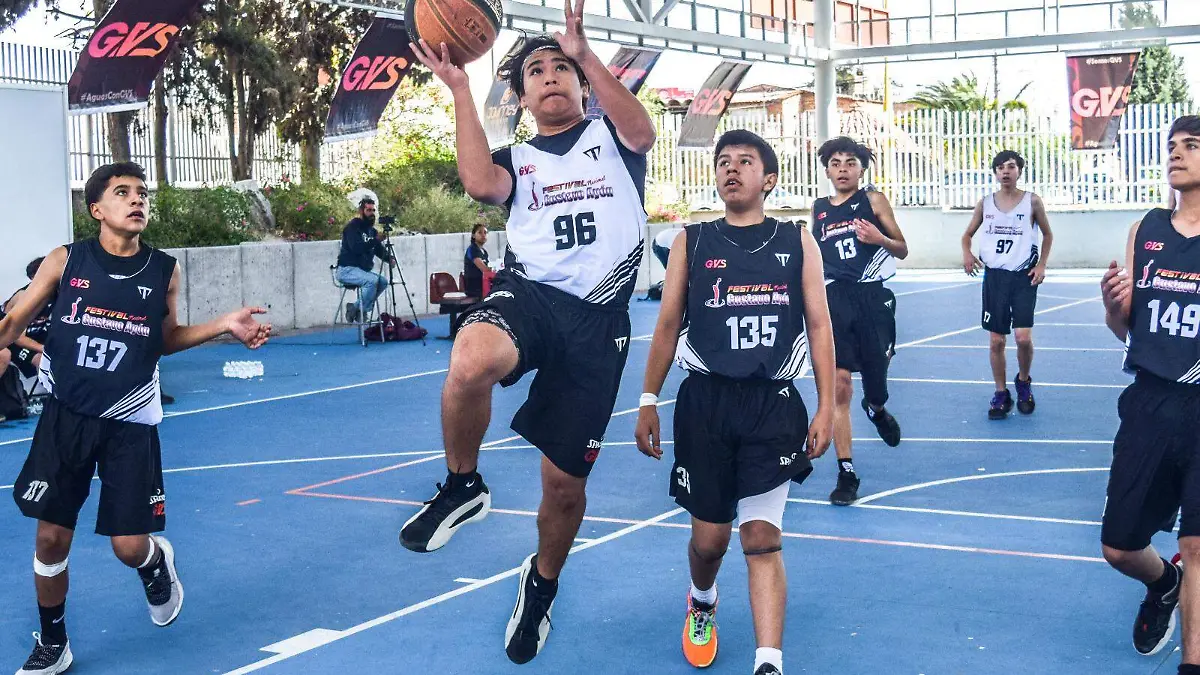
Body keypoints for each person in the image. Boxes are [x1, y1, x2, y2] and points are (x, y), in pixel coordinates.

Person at [402, 1, 656, 664]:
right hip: (532, 296)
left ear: (581, 84)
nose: (549, 77)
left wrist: (585, 52)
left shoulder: (615, 141)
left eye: (560, 68)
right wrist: (460, 89)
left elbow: (643, 129)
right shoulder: (518, 159)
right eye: (535, 71)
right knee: (470, 359)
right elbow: (478, 182)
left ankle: (541, 583)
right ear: (519, 97)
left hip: (598, 321)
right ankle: (463, 485)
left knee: (563, 489)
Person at [2, 162, 272, 675]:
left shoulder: (163, 270)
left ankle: (154, 561)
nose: (136, 200)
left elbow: (165, 340)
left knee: (127, 547)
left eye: (142, 193)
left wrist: (223, 324)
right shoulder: (66, 260)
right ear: (96, 209)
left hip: (129, 419)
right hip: (66, 416)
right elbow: (14, 321)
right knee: (50, 538)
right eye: (122, 192)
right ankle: (54, 643)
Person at [636, 130, 835, 675]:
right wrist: (649, 398)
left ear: (769, 179)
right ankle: (702, 600)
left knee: (762, 537)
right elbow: (667, 324)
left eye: (745, 161)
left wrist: (825, 406)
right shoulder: (692, 241)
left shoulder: (798, 241)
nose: (731, 169)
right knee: (709, 543)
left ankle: (769, 662)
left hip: (772, 405)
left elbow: (819, 325)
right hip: (706, 404)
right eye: (723, 161)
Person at [1100, 115, 1200, 673]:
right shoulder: (1147, 229)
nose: (1176, 154)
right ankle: (1164, 584)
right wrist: (1114, 306)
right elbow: (1127, 329)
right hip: (1150, 401)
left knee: (1197, 544)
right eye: (1172, 146)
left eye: (1192, 145)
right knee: (1118, 547)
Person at [811, 136, 907, 506]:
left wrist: (879, 237)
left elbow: (902, 248)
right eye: (835, 164)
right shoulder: (820, 209)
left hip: (873, 297)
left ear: (861, 169)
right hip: (836, 299)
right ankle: (846, 471)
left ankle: (876, 408)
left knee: (875, 382)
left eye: (850, 163)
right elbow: (815, 259)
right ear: (827, 171)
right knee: (840, 384)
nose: (842, 170)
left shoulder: (873, 200)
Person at [961, 150, 1054, 419]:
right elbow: (967, 235)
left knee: (1023, 338)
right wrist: (967, 253)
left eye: (1011, 167)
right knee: (996, 341)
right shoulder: (985, 204)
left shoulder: (1032, 202)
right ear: (995, 173)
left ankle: (1023, 381)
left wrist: (1042, 264)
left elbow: (1048, 234)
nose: (1005, 172)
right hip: (995, 278)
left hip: (1023, 277)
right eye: (1000, 167)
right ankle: (1001, 393)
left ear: (1019, 171)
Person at [335, 197, 395, 322]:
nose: (371, 213)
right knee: (372, 282)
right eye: (368, 210)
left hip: (362, 271)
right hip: (347, 269)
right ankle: (361, 310)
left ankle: (355, 308)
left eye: (373, 210)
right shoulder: (352, 228)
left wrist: (389, 258)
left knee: (383, 282)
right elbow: (357, 248)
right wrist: (375, 240)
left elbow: (378, 250)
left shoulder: (372, 231)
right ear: (361, 211)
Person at [463, 223, 490, 299]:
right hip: (474, 288)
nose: (483, 235)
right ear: (473, 236)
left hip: (484, 284)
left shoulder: (484, 252)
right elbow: (484, 269)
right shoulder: (472, 249)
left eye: (485, 232)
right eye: (480, 232)